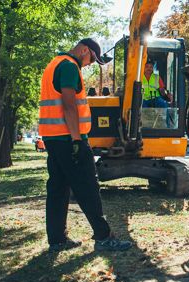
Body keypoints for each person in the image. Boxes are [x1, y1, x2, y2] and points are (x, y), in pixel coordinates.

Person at [38, 38, 132, 252]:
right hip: (69, 139)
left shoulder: (54, 64)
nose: (90, 63)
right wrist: (77, 140)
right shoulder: (70, 67)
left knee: (58, 188)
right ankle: (104, 236)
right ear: (83, 49)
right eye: (91, 58)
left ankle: (57, 240)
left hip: (53, 139)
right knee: (88, 187)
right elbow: (69, 106)